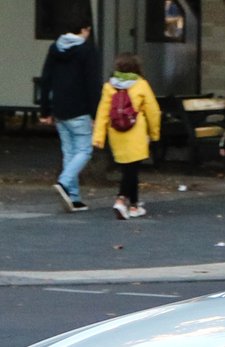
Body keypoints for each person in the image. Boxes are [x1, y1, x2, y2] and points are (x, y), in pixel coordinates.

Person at [36, 28, 103, 211]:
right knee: (84, 150)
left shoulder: (55, 48)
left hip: (59, 108)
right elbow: (92, 83)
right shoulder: (87, 51)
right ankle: (64, 183)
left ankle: (73, 198)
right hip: (79, 108)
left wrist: (45, 110)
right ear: (83, 29)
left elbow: (46, 78)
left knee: (69, 153)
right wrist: (95, 112)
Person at [98, 53, 162, 220]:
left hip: (116, 131)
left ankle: (134, 206)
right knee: (132, 169)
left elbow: (103, 112)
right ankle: (121, 199)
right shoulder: (141, 85)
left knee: (129, 168)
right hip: (136, 130)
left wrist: (98, 136)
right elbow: (153, 111)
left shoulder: (109, 86)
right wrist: (154, 134)